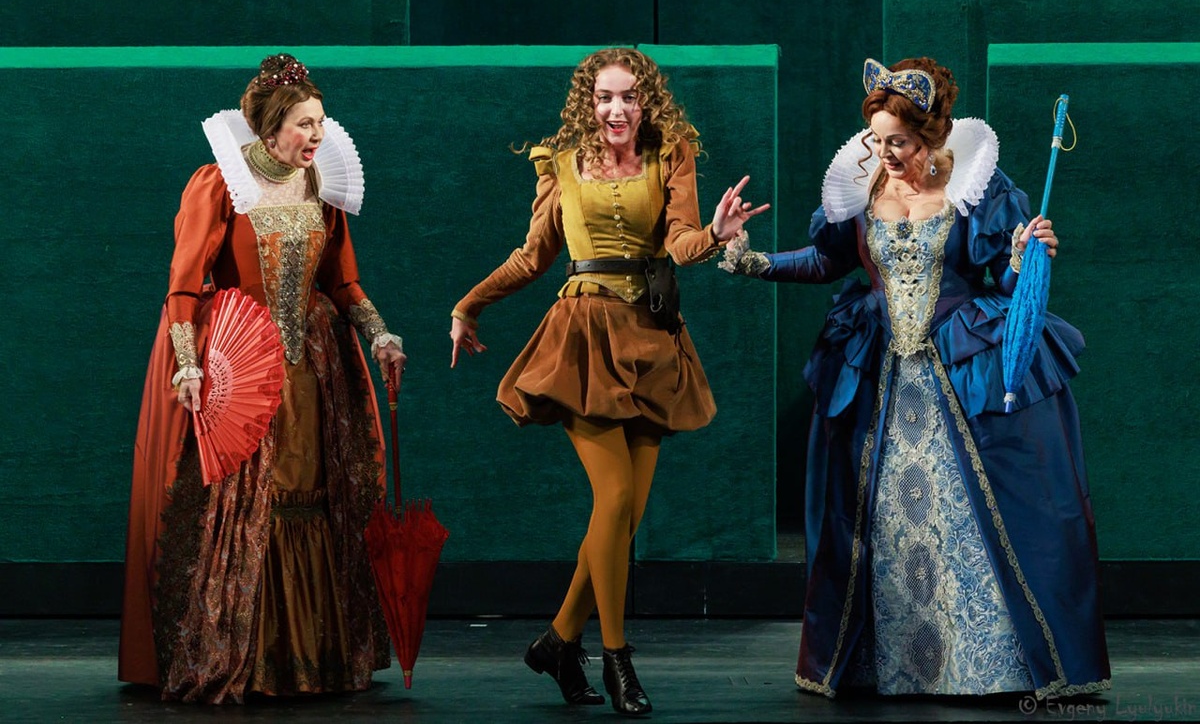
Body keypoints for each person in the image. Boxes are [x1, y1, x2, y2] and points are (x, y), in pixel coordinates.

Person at [719, 57, 1111, 699]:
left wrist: (1024, 256)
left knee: (973, 518)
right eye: (877, 140)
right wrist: (749, 258)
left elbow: (1003, 279)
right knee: (885, 525)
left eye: (898, 142)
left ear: (931, 136)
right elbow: (826, 260)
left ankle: (989, 665)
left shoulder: (976, 187)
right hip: (882, 377)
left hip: (957, 366)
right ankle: (892, 664)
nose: (885, 154)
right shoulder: (863, 185)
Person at [448, 47, 766, 716]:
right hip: (584, 340)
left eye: (628, 97)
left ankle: (558, 641)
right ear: (587, 103)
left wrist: (715, 233)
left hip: (652, 339)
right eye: (604, 97)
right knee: (614, 497)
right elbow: (533, 256)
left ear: (645, 102)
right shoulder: (561, 165)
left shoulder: (670, 154)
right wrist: (469, 304)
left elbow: (679, 243)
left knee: (626, 516)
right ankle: (618, 657)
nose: (616, 109)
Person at [118, 54, 405, 704]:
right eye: (305, 124)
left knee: (309, 493)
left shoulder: (320, 186)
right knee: (245, 506)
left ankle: (312, 657)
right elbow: (184, 284)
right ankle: (241, 656)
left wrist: (379, 333)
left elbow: (343, 282)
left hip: (312, 369)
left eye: (321, 123)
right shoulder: (219, 184)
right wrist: (188, 363)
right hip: (244, 370)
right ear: (271, 129)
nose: (317, 135)